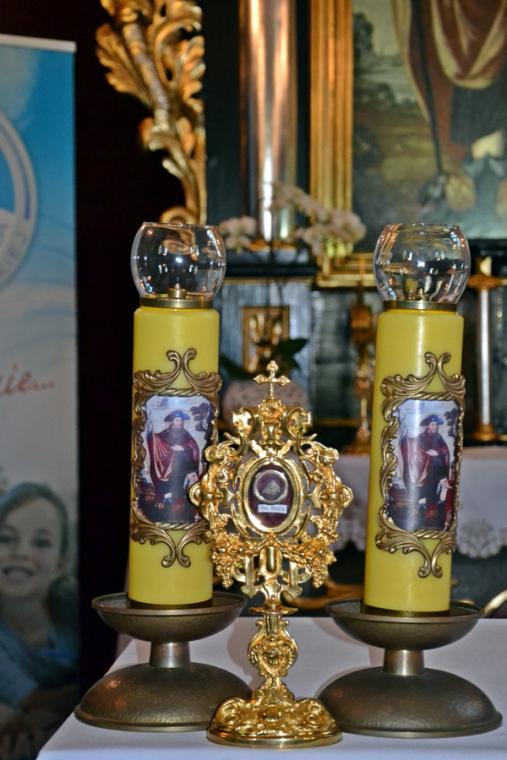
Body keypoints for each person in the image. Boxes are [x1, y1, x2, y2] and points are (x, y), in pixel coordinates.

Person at [0, 482, 79, 758]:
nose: (21, 552)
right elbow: (35, 701)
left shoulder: (74, 608)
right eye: (6, 538)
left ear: (60, 564)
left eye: (41, 542)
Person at [145, 409, 201, 522]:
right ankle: (164, 510)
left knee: (180, 489)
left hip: (182, 467)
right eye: (176, 420)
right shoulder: (165, 433)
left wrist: (183, 447)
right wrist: (151, 433)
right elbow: (157, 442)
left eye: (180, 420)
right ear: (172, 422)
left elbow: (194, 447)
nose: (179, 422)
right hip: (167, 468)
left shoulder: (185, 434)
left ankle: (181, 511)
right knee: (167, 488)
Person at [399, 414, 451, 528]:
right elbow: (415, 449)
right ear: (428, 425)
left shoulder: (439, 438)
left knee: (433, 495)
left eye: (436, 425)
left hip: (436, 473)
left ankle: (430, 520)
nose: (435, 427)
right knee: (421, 494)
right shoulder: (422, 437)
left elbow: (445, 451)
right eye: (432, 424)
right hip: (424, 474)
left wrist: (437, 453)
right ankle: (416, 518)